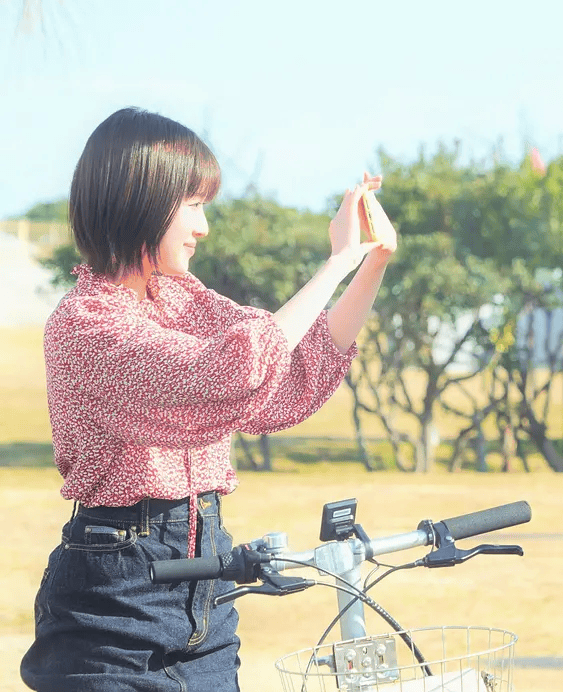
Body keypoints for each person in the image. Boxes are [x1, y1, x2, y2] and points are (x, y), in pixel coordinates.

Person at [20, 106, 397, 691]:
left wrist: (371, 263)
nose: (204, 227)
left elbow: (291, 374)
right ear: (142, 199)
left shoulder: (182, 299)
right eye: (193, 205)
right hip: (114, 601)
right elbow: (236, 369)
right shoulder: (86, 325)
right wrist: (335, 263)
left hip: (209, 590)